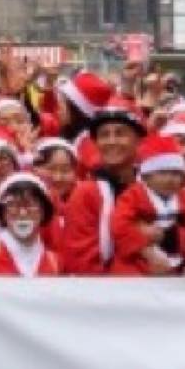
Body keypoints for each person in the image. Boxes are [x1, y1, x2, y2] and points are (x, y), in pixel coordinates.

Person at [108, 135, 185, 276]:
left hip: (178, 266)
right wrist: (149, 254)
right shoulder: (133, 196)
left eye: (176, 173)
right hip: (136, 265)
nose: (170, 179)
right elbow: (119, 226)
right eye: (162, 173)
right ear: (146, 176)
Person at [57, 104, 142, 274]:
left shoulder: (155, 186)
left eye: (120, 133)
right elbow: (80, 261)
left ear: (137, 139)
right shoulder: (86, 193)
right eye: (104, 135)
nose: (112, 141)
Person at [0, 174, 61, 277]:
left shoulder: (54, 261)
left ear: (43, 211)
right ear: (3, 213)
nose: (22, 213)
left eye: (30, 205)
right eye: (14, 206)